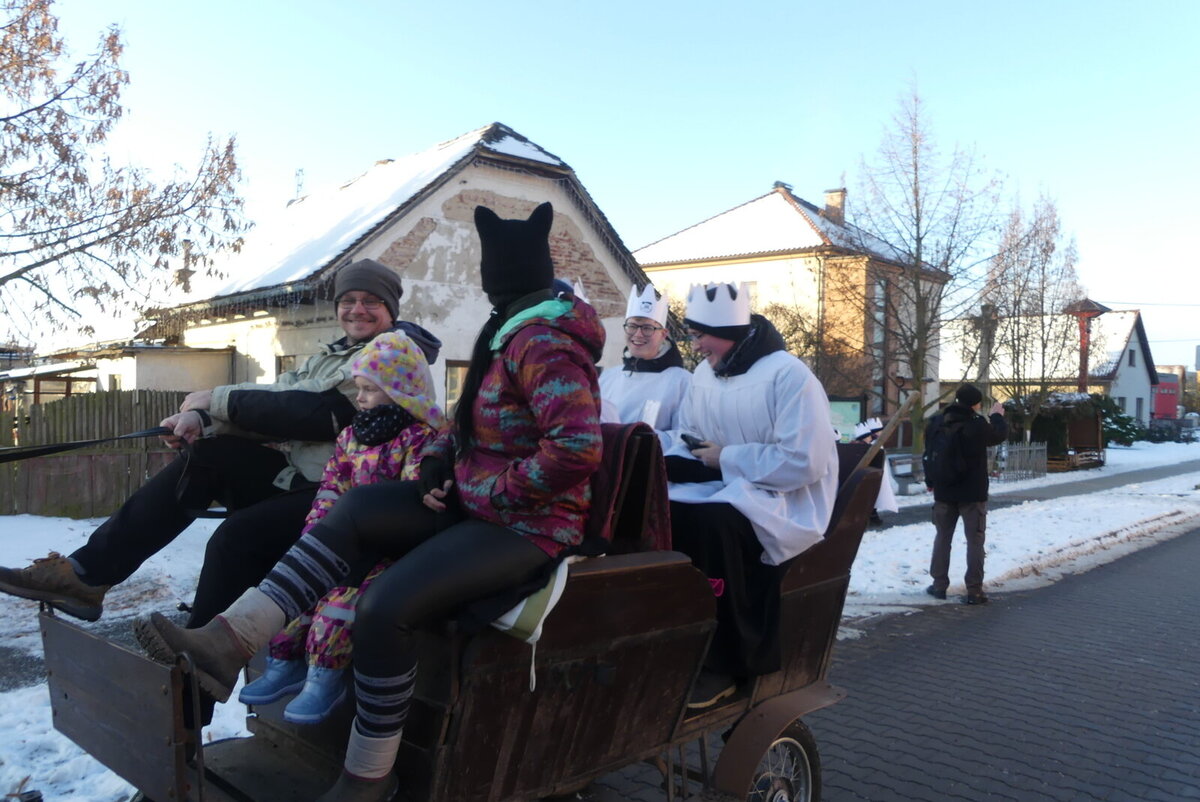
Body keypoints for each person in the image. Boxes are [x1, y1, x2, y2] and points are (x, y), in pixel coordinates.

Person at [133, 201, 605, 802]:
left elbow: (577, 448)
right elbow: (467, 422)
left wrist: (492, 489)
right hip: (474, 501)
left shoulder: (544, 342)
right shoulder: (506, 329)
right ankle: (229, 642)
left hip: (528, 523)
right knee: (353, 510)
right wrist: (439, 460)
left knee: (385, 605)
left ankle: (368, 777)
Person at [0, 259, 441, 629]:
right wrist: (204, 421)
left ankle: (199, 657)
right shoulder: (332, 354)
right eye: (348, 300)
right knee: (206, 456)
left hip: (344, 496)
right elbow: (280, 394)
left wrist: (218, 399)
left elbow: (317, 413)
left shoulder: (394, 355)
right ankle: (87, 576)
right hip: (302, 477)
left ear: (390, 309)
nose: (357, 309)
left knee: (234, 537)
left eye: (371, 301)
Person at [238, 330, 444, 725]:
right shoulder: (352, 435)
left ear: (401, 392)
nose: (360, 398)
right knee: (301, 592)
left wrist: (374, 537)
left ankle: (325, 676)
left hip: (387, 548)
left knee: (340, 605)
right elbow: (333, 485)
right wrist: (318, 530)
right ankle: (284, 663)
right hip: (344, 538)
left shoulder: (418, 438)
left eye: (370, 390)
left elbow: (412, 497)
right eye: (359, 388)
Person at [665, 281, 838, 708]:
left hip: (785, 498)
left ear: (728, 333)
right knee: (664, 509)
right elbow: (690, 433)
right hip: (728, 483)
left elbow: (804, 460)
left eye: (700, 335)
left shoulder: (788, 374)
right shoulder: (704, 375)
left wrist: (727, 458)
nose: (695, 345)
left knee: (715, 523)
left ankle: (729, 662)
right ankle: (679, 641)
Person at [923, 383, 1007, 605]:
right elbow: (999, 435)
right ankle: (974, 590)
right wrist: (997, 416)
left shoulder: (937, 422)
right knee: (975, 541)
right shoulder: (977, 425)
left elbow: (928, 453)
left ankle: (939, 585)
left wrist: (931, 480)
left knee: (942, 538)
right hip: (973, 492)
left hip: (944, 490)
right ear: (976, 404)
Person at [599, 283, 691, 446]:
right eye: (632, 326)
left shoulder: (683, 382)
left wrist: (637, 439)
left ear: (663, 334)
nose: (638, 334)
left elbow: (685, 436)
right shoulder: (607, 378)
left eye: (647, 328)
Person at [853, 417, 899, 524]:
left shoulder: (874, 444)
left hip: (873, 474)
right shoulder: (871, 445)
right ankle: (871, 516)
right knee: (871, 496)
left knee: (874, 495)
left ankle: (872, 515)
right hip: (870, 475)